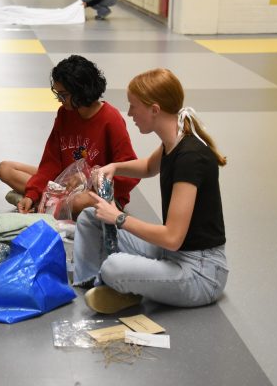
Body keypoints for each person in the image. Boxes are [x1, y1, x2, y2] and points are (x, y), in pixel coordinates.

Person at [74, 68, 228, 314]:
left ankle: (116, 281)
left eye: (134, 106)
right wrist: (114, 166)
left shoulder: (190, 157)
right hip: (171, 255)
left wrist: (119, 218)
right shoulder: (174, 140)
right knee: (90, 217)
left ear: (154, 110)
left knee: (114, 265)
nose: (130, 113)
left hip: (200, 273)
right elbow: (147, 167)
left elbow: (172, 238)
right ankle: (95, 284)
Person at [0, 55, 139, 217]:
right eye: (58, 94)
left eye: (63, 95)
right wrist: (31, 194)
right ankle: (46, 201)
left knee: (78, 202)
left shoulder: (110, 119)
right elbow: (50, 162)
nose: (59, 100)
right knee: (5, 169)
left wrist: (90, 179)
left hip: (97, 190)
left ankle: (48, 203)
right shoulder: (65, 113)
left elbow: (129, 172)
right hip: (65, 183)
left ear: (80, 91)